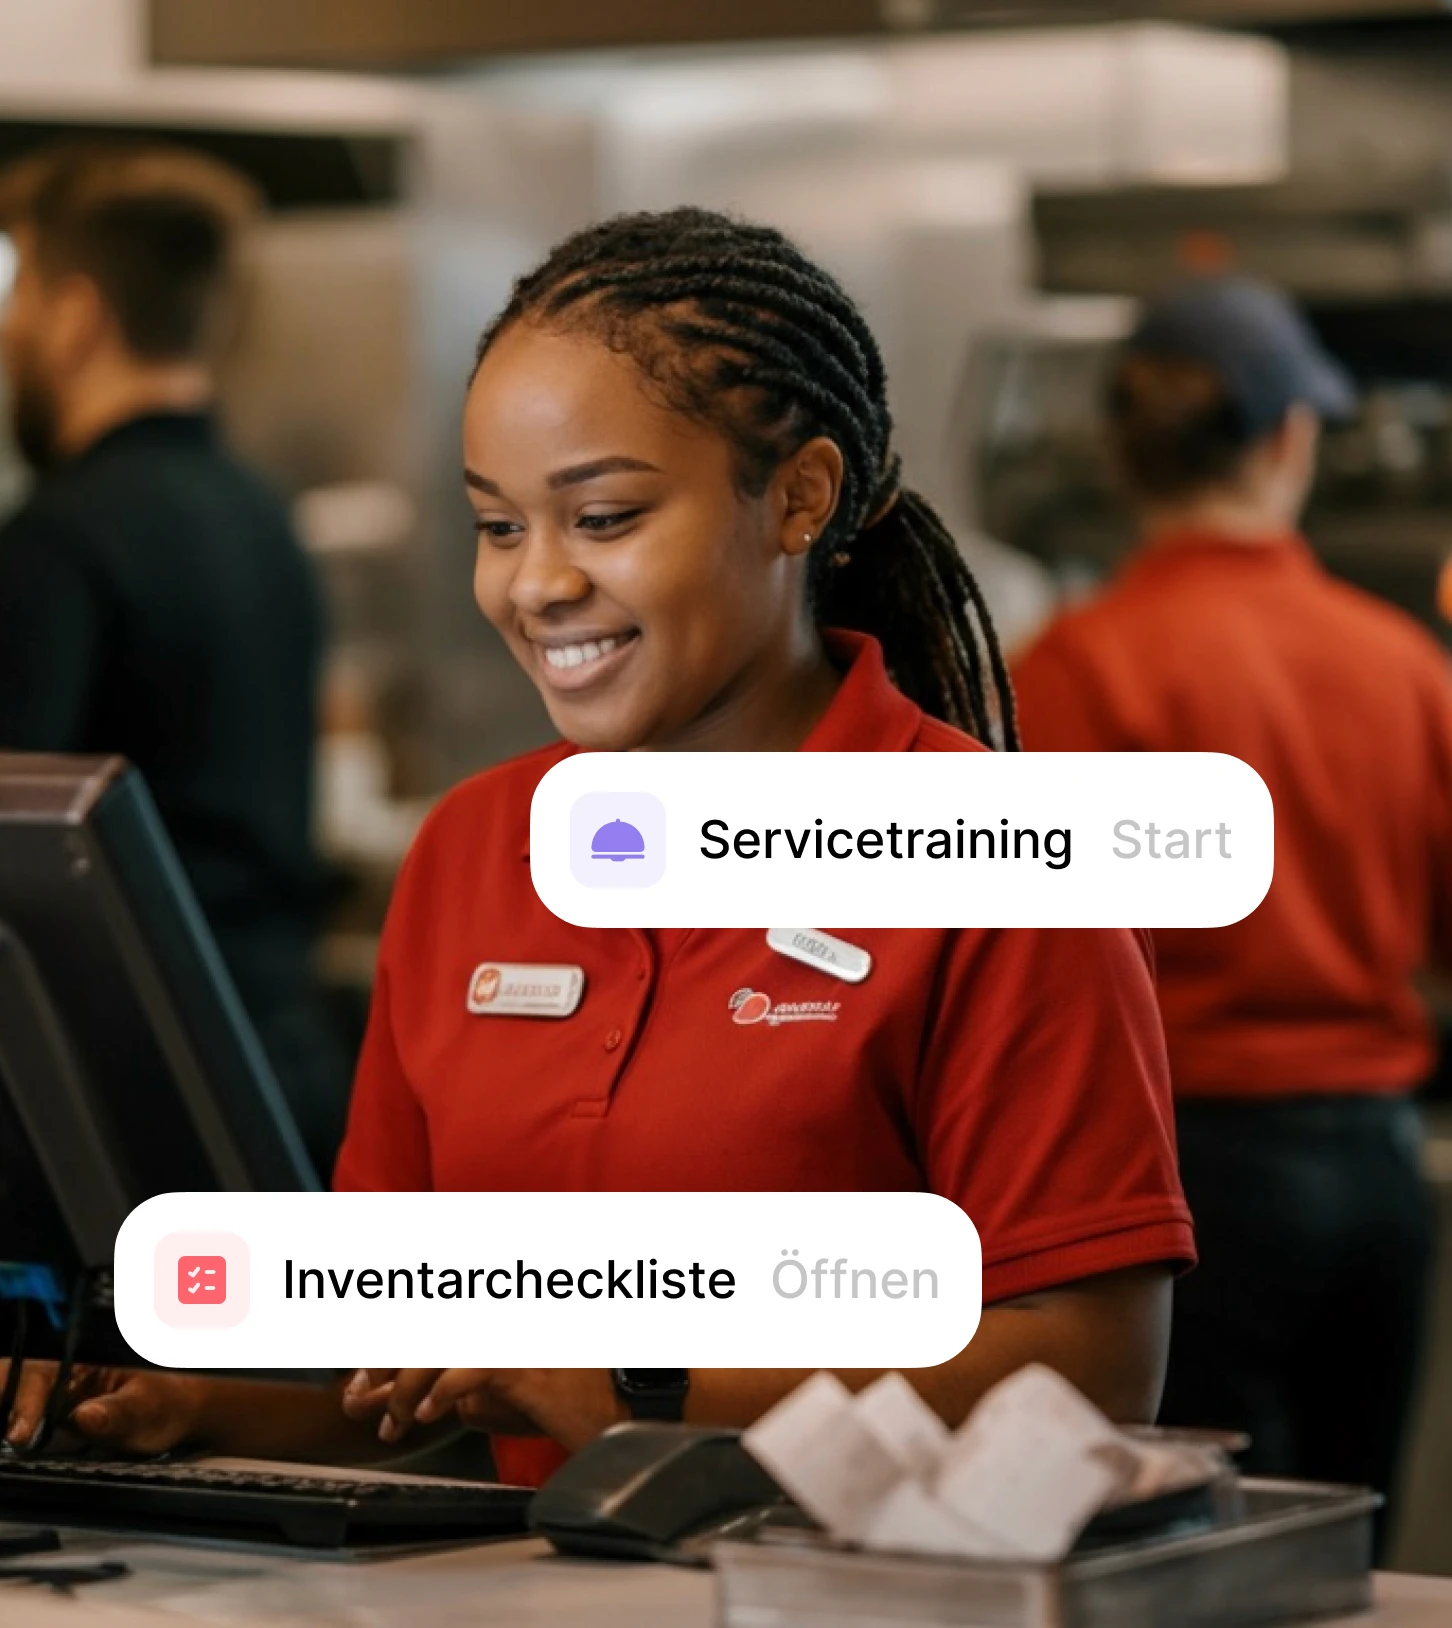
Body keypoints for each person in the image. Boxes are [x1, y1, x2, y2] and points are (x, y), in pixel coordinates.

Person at [3, 209, 1192, 1476]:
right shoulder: (471, 853)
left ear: (800, 497)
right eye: (500, 525)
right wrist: (190, 1406)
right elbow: (419, 1385)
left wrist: (640, 1383)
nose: (536, 584)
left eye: (606, 517)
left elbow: (1096, 1365)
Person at [1013, 276, 1452, 1519]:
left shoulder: (1074, 669)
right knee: (1344, 1543)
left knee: (1197, 1544)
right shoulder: (1404, 666)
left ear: (1121, 452)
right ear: (1291, 440)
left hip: (1186, 1180)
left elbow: (1026, 969)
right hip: (1375, 1170)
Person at [0, 143, 347, 1170]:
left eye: (18, 292)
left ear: (74, 315)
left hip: (130, 1101)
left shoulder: (58, 540)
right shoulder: (261, 513)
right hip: (282, 1064)